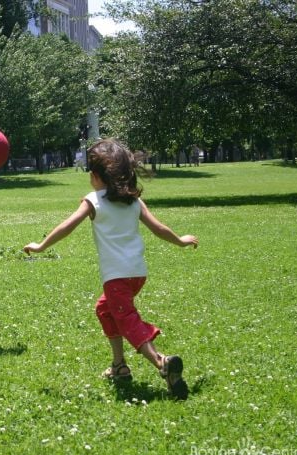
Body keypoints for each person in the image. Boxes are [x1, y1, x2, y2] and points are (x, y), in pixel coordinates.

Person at [23, 138, 198, 400]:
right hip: (137, 274)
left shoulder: (94, 200)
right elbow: (158, 228)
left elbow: (67, 226)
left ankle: (162, 362)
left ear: (95, 176)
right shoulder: (133, 201)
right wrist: (180, 241)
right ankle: (119, 366)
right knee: (105, 309)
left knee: (127, 319)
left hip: (116, 278)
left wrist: (41, 246)